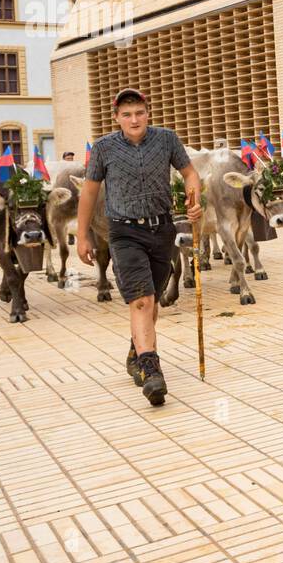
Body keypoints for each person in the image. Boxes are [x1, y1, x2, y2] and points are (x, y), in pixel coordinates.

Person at [78, 89, 201, 407]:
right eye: (127, 114)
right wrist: (82, 235)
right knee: (142, 302)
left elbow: (189, 173)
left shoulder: (167, 139)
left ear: (148, 112)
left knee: (153, 301)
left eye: (140, 112)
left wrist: (194, 198)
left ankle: (136, 352)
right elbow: (89, 193)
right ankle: (152, 371)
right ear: (116, 117)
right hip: (124, 233)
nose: (134, 119)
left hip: (162, 230)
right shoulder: (104, 148)